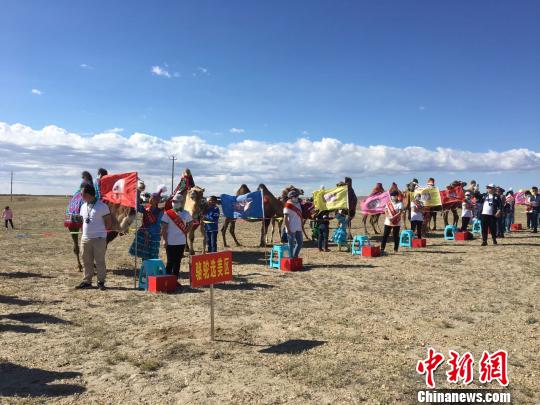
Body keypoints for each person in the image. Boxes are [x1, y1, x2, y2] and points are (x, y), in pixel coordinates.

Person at [76, 184, 112, 290]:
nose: (80, 196)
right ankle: (87, 281)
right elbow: (83, 221)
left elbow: (108, 223)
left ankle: (101, 282)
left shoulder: (102, 206)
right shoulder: (83, 206)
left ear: (88, 194)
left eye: (82, 194)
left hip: (99, 239)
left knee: (99, 261)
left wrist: (101, 233)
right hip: (85, 238)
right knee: (86, 261)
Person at [161, 193, 192, 287]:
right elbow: (164, 229)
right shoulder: (167, 214)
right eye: (173, 201)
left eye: (176, 201)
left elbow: (191, 223)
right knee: (170, 261)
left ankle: (175, 280)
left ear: (181, 202)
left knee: (177, 262)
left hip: (181, 242)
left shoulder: (186, 213)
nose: (174, 203)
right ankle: (166, 280)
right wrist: (165, 240)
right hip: (170, 241)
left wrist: (186, 230)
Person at [129, 189, 164, 260]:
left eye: (154, 199)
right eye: (152, 198)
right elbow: (137, 207)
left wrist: (149, 231)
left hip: (153, 234)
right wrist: (138, 194)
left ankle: (152, 266)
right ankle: (145, 265)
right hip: (144, 232)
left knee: (153, 254)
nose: (152, 200)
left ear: (157, 201)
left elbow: (157, 224)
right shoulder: (145, 208)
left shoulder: (160, 211)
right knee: (144, 253)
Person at [283, 189, 304, 258]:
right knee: (291, 244)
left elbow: (300, 215)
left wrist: (301, 224)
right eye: (296, 196)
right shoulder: (287, 205)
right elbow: (285, 218)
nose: (297, 197)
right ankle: (291, 257)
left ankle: (295, 256)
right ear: (291, 197)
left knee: (300, 243)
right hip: (291, 227)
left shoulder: (298, 203)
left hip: (298, 227)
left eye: (297, 196)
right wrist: (288, 229)